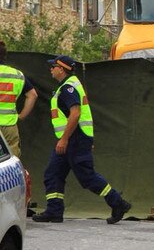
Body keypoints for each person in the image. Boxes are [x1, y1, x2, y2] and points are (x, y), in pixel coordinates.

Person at [32, 55, 131, 223]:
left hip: (74, 139)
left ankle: (118, 203)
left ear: (61, 69)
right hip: (72, 139)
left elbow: (76, 113)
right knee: (53, 173)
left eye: (53, 66)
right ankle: (54, 211)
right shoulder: (68, 85)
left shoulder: (67, 88)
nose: (51, 69)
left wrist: (64, 139)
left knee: (87, 177)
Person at [0, 40, 38, 158]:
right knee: (12, 159)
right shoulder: (16, 75)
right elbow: (33, 95)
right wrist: (21, 116)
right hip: (9, 126)